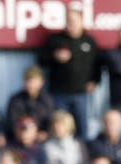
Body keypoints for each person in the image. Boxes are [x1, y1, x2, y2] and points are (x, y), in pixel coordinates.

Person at [37, 4, 100, 140]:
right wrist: (55, 56)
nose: (71, 24)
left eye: (74, 21)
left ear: (82, 22)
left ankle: (82, 157)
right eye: (68, 21)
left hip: (81, 94)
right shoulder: (55, 40)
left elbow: (97, 64)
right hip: (59, 94)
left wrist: (95, 80)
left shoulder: (89, 42)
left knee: (82, 129)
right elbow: (41, 59)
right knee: (59, 128)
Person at [5, 65, 54, 141]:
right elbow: (11, 122)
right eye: (27, 81)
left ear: (41, 82)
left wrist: (45, 133)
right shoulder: (15, 99)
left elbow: (51, 121)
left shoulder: (47, 100)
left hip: (41, 140)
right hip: (19, 139)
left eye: (33, 81)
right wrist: (22, 132)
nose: (30, 84)